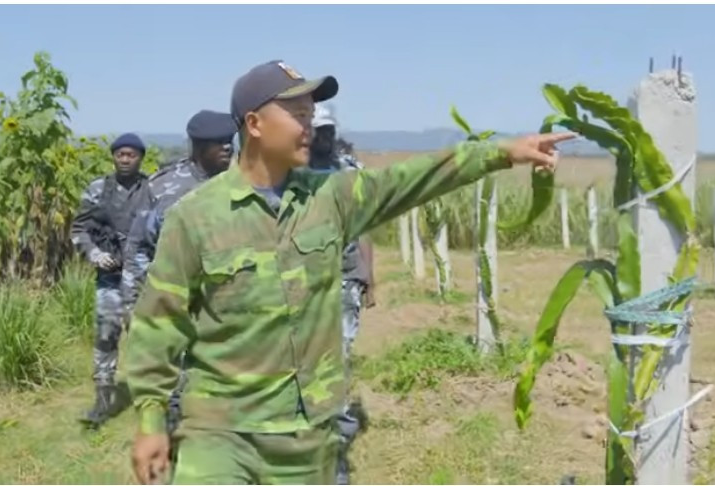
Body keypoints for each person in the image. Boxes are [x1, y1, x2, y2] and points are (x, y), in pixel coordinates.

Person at [125, 59, 574, 485]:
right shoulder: (196, 217)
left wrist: (501, 153)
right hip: (220, 430)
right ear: (255, 125)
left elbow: (412, 177)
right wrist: (150, 420)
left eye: (311, 112)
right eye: (297, 113)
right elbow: (159, 321)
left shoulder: (332, 196)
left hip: (307, 431)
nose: (309, 124)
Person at [120, 109, 237, 448]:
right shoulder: (162, 188)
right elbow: (138, 248)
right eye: (218, 144)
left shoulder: (244, 185)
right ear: (197, 147)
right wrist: (133, 306)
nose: (227, 149)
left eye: (230, 142)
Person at [308, 102, 375, 484]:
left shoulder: (351, 173)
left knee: (340, 356)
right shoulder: (288, 171)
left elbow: (365, 225)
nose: (325, 137)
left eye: (330, 130)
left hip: (345, 278)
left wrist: (370, 277)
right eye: (319, 130)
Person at [70, 132, 151, 428]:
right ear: (113, 157)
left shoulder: (152, 188)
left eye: (131, 154)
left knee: (148, 340)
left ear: (141, 157)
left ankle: (152, 402)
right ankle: (103, 401)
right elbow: (79, 229)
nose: (125, 159)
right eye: (120, 154)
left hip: (146, 280)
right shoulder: (98, 189)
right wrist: (93, 253)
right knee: (106, 336)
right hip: (110, 277)